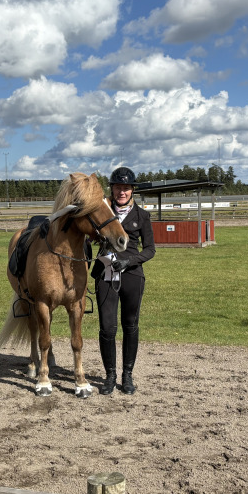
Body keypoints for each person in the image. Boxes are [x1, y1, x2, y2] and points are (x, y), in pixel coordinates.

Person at [91, 167, 155, 395]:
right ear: (113, 189)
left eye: (126, 188)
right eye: (118, 187)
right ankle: (110, 376)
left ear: (132, 190)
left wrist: (129, 262)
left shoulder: (142, 216)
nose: (122, 192)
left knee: (130, 326)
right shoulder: (102, 212)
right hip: (106, 275)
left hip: (132, 276)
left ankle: (127, 375)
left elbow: (150, 250)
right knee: (107, 328)